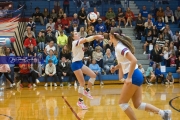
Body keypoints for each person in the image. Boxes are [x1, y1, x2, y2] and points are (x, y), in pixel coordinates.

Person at [109, 28, 171, 120]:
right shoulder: (118, 46)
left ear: (112, 36)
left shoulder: (119, 47)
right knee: (138, 104)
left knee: (122, 103)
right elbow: (124, 62)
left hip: (134, 75)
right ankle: (163, 113)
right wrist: (115, 68)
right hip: (137, 75)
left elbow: (134, 60)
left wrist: (129, 77)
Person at [67, 32, 103, 109]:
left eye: (77, 33)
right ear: (73, 37)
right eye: (76, 34)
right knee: (82, 83)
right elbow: (86, 39)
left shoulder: (79, 43)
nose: (78, 34)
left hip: (80, 62)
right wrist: (96, 36)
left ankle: (87, 90)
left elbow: (82, 48)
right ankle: (80, 101)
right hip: (75, 64)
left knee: (93, 75)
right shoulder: (75, 42)